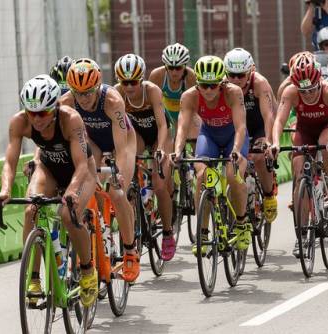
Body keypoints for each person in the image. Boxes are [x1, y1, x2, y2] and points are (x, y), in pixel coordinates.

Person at [0, 75, 98, 306]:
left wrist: (70, 191)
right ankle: (33, 278)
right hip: (49, 169)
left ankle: (88, 270)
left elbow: (82, 165)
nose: (36, 119)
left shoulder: (71, 119)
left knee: (67, 216)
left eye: (43, 113)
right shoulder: (19, 122)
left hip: (81, 173)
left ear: (55, 106)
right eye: (32, 113)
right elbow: (9, 163)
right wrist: (5, 190)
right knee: (31, 211)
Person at [61, 58, 141, 282]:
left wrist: (120, 177)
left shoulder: (112, 100)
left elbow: (123, 149)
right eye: (79, 93)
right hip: (93, 144)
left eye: (88, 92)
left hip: (122, 142)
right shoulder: (67, 102)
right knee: (87, 192)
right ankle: (94, 240)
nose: (84, 99)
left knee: (117, 192)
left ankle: (130, 250)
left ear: (97, 87)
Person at [173, 55, 252, 253]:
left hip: (233, 136)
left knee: (233, 175)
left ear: (222, 82)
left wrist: (235, 150)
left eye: (213, 85)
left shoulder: (233, 93)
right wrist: (177, 151)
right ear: (197, 83)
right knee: (201, 176)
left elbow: (241, 126)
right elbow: (182, 127)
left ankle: (242, 224)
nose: (208, 90)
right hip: (209, 136)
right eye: (204, 85)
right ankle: (203, 233)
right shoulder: (190, 96)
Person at [271, 53, 328, 257]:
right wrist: (276, 142)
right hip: (304, 130)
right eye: (304, 91)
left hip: (326, 127)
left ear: (320, 81)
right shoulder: (290, 92)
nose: (309, 94)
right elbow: (279, 121)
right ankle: (302, 235)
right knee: (298, 173)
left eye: (312, 89)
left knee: (324, 144)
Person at [114, 53, 176, 261]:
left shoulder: (152, 91)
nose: (129, 87)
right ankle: (136, 209)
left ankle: (168, 232)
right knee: (127, 158)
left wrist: (160, 151)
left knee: (159, 185)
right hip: (138, 134)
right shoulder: (117, 94)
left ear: (141, 80)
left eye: (133, 82)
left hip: (160, 134)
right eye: (124, 82)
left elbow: (161, 125)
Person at [223, 47, 278, 223]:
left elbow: (268, 115)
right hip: (238, 126)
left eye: (241, 75)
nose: (236, 79)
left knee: (259, 157)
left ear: (251, 71)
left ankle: (269, 196)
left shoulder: (260, 83)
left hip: (260, 124)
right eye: (232, 75)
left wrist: (267, 141)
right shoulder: (223, 85)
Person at [148, 43, 200, 139]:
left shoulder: (191, 76)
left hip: (185, 110)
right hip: (165, 111)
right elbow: (150, 102)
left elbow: (196, 104)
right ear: (165, 66)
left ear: (184, 66)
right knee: (169, 142)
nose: (174, 72)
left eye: (178, 68)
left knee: (196, 133)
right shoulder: (157, 75)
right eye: (170, 68)